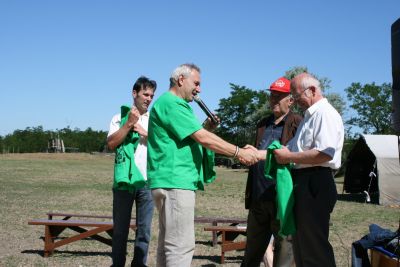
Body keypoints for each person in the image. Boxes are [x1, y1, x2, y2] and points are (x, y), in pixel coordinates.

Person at [147, 63, 258, 267]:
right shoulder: (172, 103)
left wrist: (207, 126)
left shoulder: (169, 104)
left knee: (167, 244)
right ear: (181, 79)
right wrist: (239, 152)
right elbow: (202, 138)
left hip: (167, 180)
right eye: (196, 83)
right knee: (180, 246)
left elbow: (189, 136)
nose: (199, 89)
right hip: (176, 182)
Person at [274, 73, 344, 267]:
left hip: (315, 183)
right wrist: (261, 154)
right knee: (301, 247)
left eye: (297, 97)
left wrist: (287, 157)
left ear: (312, 90)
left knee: (314, 250)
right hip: (304, 182)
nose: (295, 103)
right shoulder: (309, 117)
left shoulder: (325, 114)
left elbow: (324, 153)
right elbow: (292, 150)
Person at [242, 77, 302, 267]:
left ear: (290, 100)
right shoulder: (262, 124)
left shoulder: (297, 123)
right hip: (259, 198)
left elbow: (296, 156)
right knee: (251, 253)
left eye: (279, 96)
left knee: (284, 254)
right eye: (272, 95)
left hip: (281, 200)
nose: (274, 99)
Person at [107, 76, 157, 267]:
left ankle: (139, 264)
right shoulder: (118, 117)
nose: (149, 98)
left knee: (144, 230)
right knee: (120, 230)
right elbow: (111, 143)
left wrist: (145, 132)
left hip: (147, 181)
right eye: (145, 94)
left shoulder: (154, 119)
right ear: (134, 93)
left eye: (152, 95)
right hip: (124, 183)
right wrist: (128, 124)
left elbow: (164, 144)